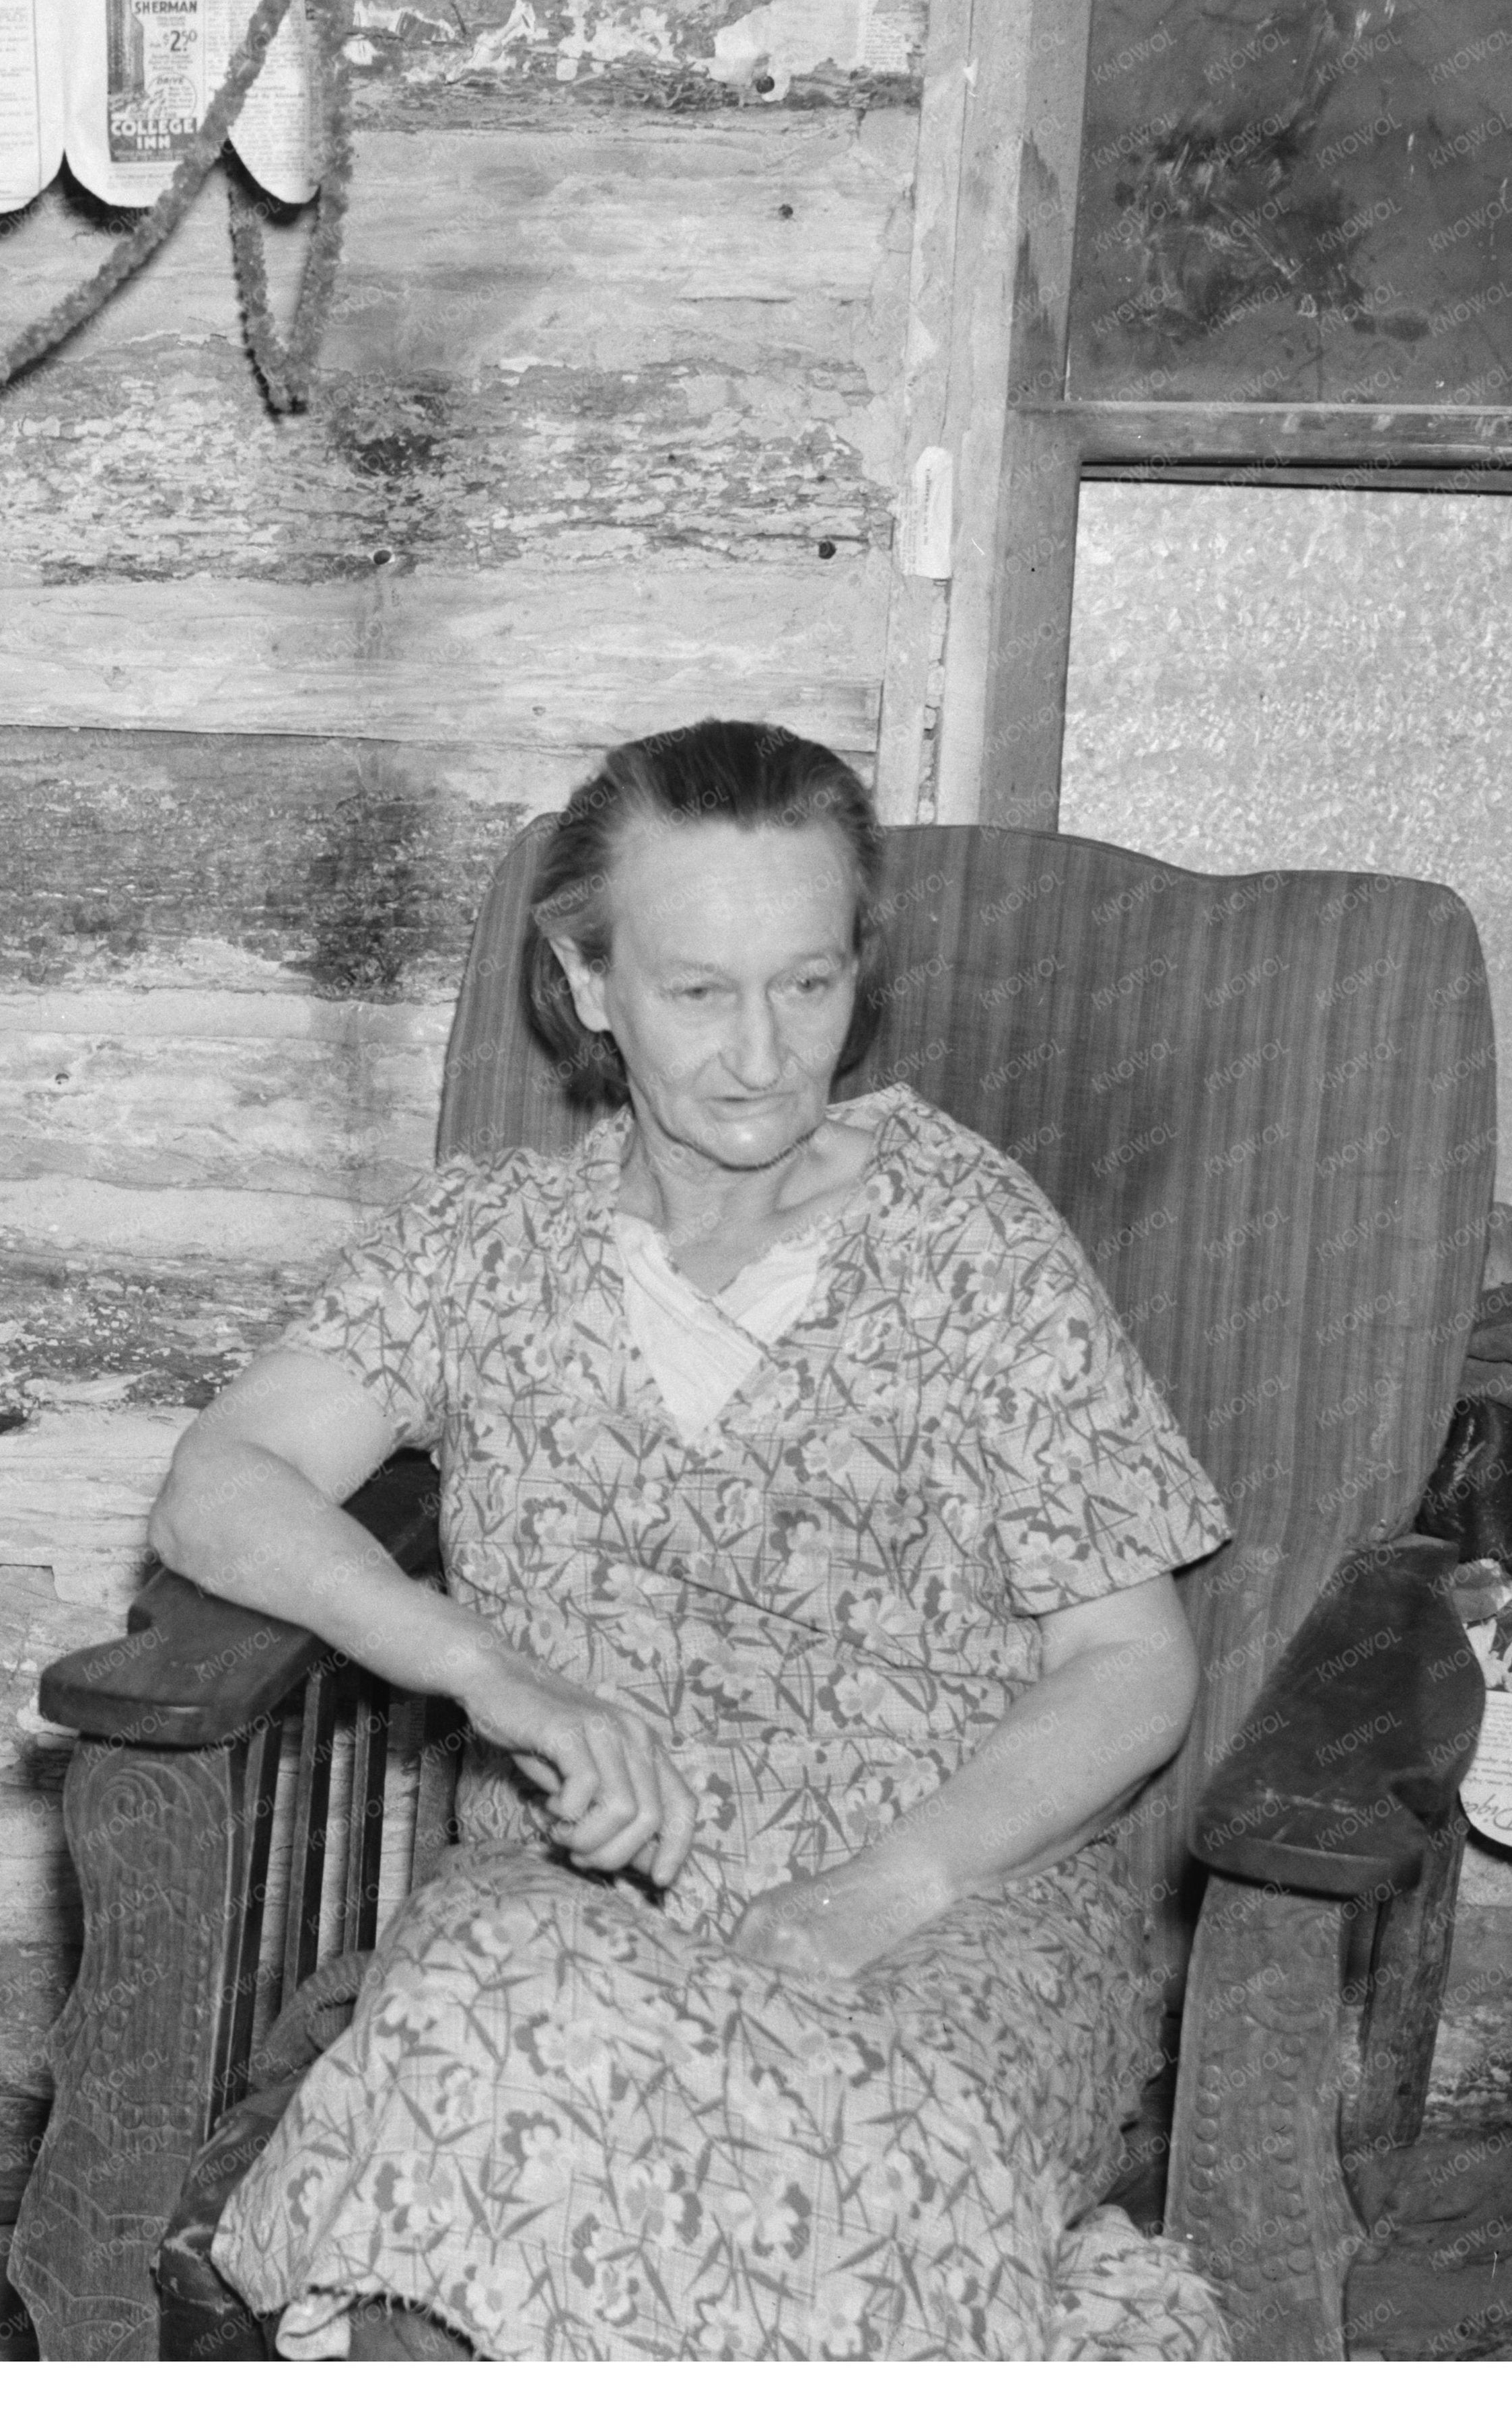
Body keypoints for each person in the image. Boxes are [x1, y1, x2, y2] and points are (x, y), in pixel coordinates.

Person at [163, 717, 1235, 2359]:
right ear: (589, 985)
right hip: (573, 1903)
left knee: (829, 2127)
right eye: (698, 990)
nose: (760, 1055)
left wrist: (882, 1891)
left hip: (956, 1912)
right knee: (483, 2016)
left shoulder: (971, 1241)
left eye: (807, 986)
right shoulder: (487, 1243)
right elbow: (222, 1486)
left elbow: (1130, 1661)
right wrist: (497, 1677)